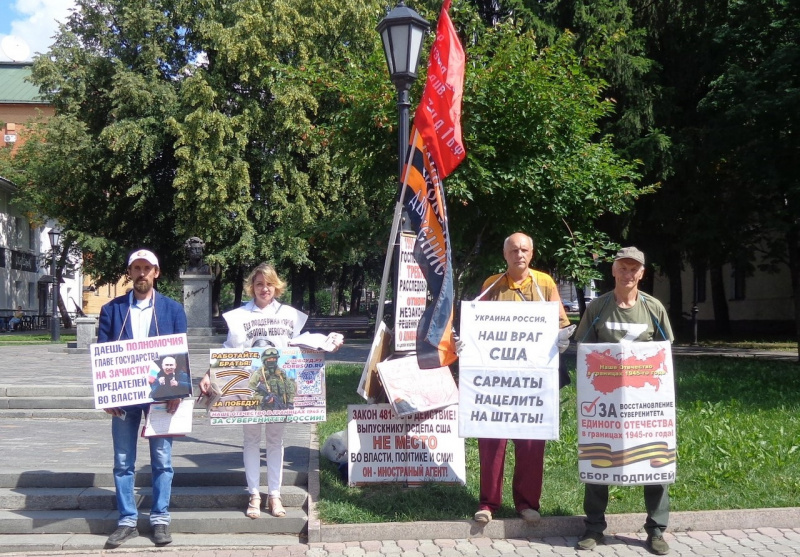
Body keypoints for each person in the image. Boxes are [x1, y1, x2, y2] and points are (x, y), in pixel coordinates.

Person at [199, 263, 342, 520]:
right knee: (251, 441)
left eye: (269, 284)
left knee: (276, 442)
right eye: (259, 284)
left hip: (279, 390)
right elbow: (227, 350)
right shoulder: (239, 316)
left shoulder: (290, 315)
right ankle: (254, 493)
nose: (264, 289)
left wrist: (327, 342)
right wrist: (208, 374)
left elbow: (301, 344)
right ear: (251, 287)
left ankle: (274, 495)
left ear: (277, 286)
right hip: (249, 390)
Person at [573, 246, 674, 555]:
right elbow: (584, 350)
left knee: (655, 461)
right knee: (598, 458)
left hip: (645, 403)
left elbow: (664, 353)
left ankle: (656, 530)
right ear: (613, 271)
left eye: (634, 269)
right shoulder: (599, 307)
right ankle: (594, 528)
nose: (628, 274)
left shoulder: (654, 308)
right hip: (605, 403)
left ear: (642, 273)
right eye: (623, 268)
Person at [473, 232, 572, 525]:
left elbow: (561, 323)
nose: (519, 254)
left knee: (531, 442)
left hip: (534, 380)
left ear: (532, 253)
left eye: (525, 249)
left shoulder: (545, 283)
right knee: (491, 439)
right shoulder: (491, 285)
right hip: (497, 378)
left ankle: (527, 504)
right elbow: (480, 325)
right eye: (514, 250)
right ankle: (488, 503)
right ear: (505, 254)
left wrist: (563, 338)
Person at [97, 249, 188, 548]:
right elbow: (103, 354)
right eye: (136, 268)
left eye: (146, 268)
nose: (141, 273)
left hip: (160, 396)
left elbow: (180, 353)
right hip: (123, 397)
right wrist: (105, 393)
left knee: (162, 459)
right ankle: (127, 520)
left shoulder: (173, 310)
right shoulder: (112, 310)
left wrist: (177, 390)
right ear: (130, 273)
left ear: (156, 272)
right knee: (123, 460)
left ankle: (160, 519)